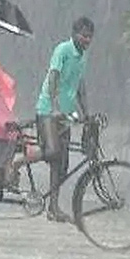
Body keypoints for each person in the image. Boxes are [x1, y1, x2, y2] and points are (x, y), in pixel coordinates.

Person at [35, 16, 94, 222]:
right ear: (74, 34)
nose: (87, 40)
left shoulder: (83, 56)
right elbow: (53, 77)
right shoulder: (62, 50)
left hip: (66, 116)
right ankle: (19, 161)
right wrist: (54, 107)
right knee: (53, 153)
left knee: (62, 164)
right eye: (84, 36)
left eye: (90, 37)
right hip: (48, 111)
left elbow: (80, 87)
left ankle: (53, 208)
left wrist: (86, 113)